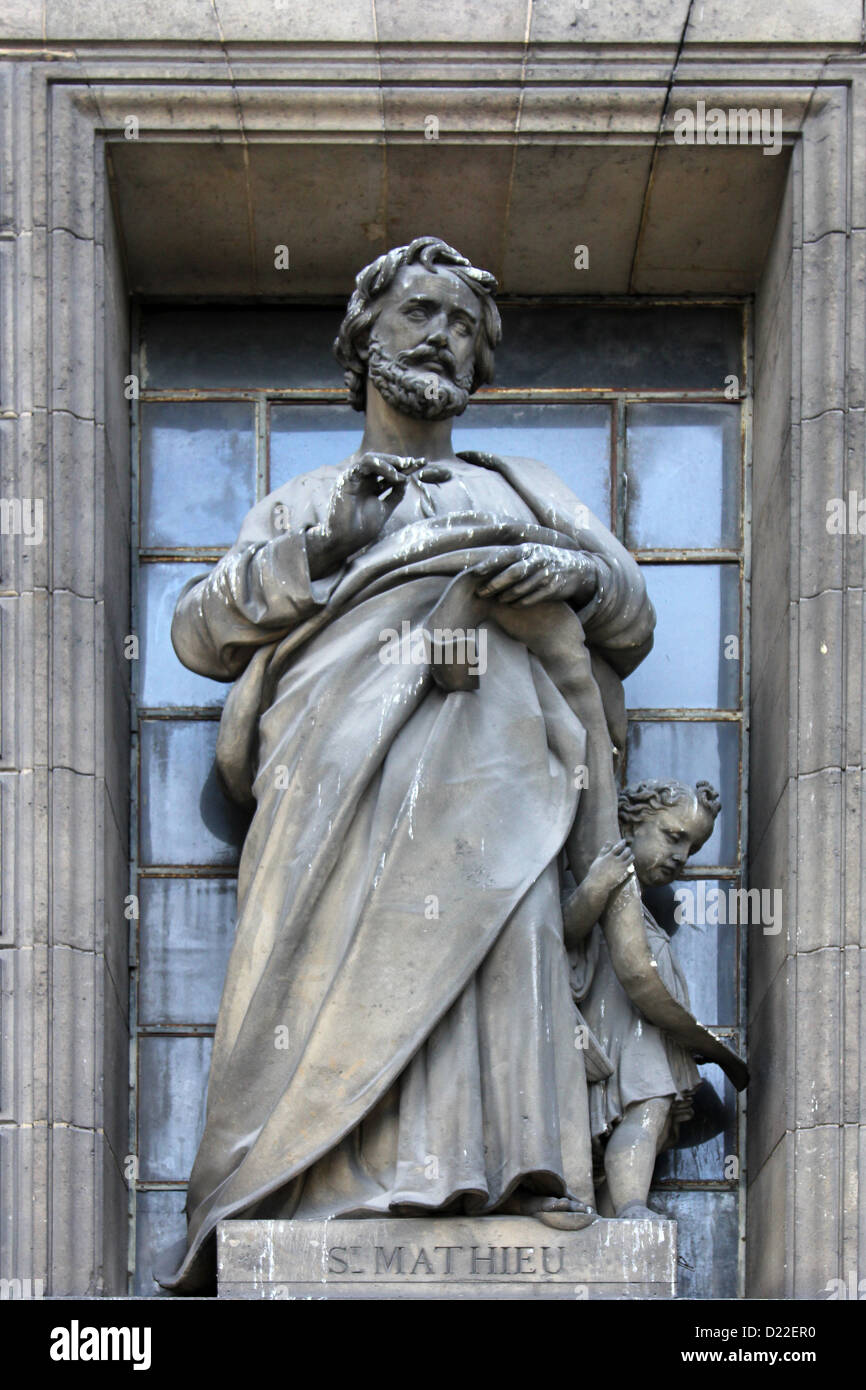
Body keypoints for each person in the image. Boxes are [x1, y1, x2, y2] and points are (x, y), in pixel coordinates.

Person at [155, 235, 663, 1294]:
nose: (440, 334)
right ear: (362, 336)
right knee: (333, 969)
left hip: (499, 784)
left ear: (481, 364)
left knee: (490, 939)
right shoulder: (303, 499)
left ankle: (506, 1170)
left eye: (463, 325)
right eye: (417, 312)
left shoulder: (523, 487)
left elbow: (632, 612)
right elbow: (200, 632)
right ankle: (315, 1178)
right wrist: (328, 545)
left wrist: (565, 569)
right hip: (335, 785)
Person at [565, 779, 721, 1219]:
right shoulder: (590, 875)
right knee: (645, 1111)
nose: (681, 857)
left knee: (653, 1117)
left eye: (692, 849)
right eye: (674, 837)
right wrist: (596, 886)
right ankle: (631, 1209)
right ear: (630, 826)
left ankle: (625, 1214)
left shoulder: (642, 914)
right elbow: (558, 931)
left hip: (649, 1038)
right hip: (611, 1034)